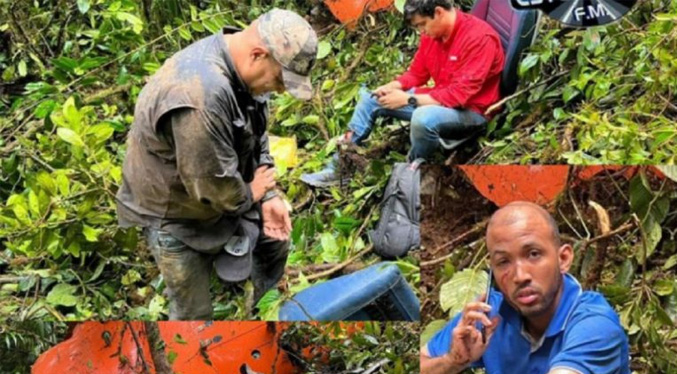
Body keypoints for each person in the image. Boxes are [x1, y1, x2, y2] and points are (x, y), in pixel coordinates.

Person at [116, 9, 318, 320]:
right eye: (279, 80)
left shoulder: (241, 67)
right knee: (192, 316)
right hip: (177, 213)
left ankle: (267, 314)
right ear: (257, 55)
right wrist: (252, 194)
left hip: (228, 189)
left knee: (276, 242)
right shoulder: (200, 95)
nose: (279, 90)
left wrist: (268, 196)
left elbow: (258, 132)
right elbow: (212, 186)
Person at [301, 0, 504, 187]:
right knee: (370, 99)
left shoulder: (479, 39)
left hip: (472, 111)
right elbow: (417, 72)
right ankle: (338, 169)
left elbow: (459, 96)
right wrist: (394, 86)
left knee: (422, 118)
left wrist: (408, 99)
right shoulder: (432, 34)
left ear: (439, 12)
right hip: (441, 96)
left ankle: (412, 173)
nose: (421, 32)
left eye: (422, 25)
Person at [421, 202, 630, 374]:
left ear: (563, 259)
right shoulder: (489, 316)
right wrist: (453, 361)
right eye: (503, 262)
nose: (520, 276)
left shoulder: (595, 324)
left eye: (533, 254)